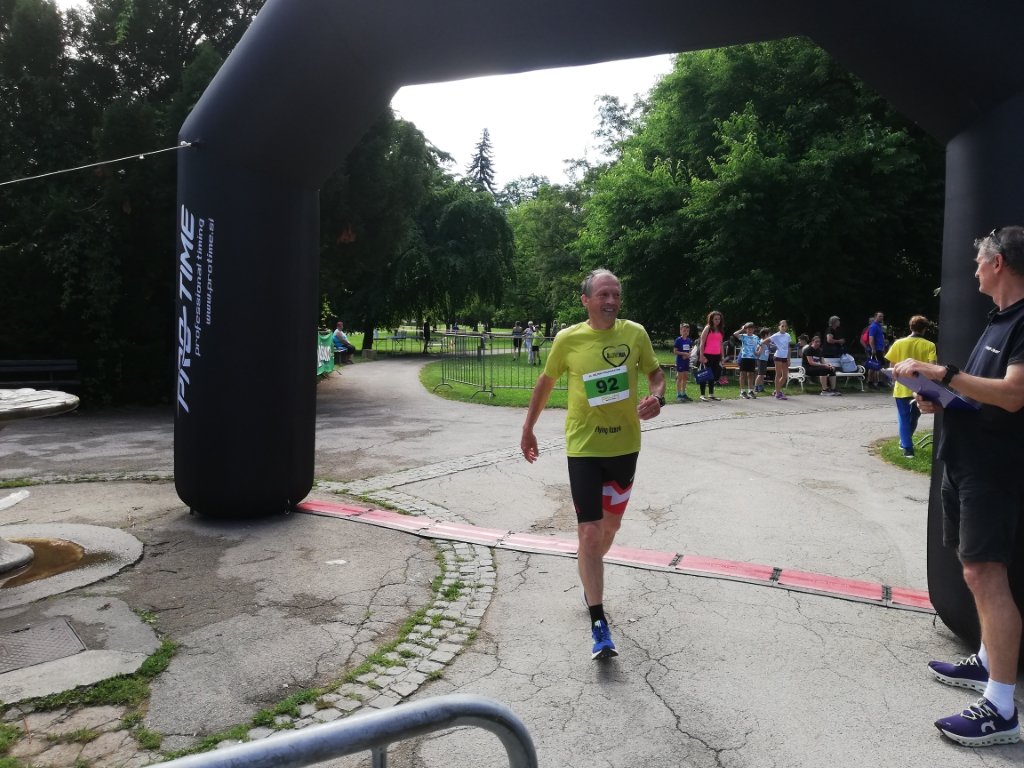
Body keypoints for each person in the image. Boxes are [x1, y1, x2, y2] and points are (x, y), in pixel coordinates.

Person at [894, 226, 1024, 748]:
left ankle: (1001, 708)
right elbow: (983, 393)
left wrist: (942, 374)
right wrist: (939, 396)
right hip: (966, 460)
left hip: (993, 469)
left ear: (999, 263)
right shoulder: (1000, 319)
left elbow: (1013, 395)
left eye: (979, 262)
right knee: (974, 571)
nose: (974, 270)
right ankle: (988, 661)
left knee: (986, 574)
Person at [521, 268, 665, 661]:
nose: (611, 301)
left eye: (616, 294)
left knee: (610, 528)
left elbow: (655, 374)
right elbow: (545, 383)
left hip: (625, 446)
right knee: (589, 533)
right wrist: (528, 428)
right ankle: (598, 622)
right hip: (583, 447)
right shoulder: (568, 339)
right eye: (603, 294)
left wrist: (658, 397)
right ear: (585, 300)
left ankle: (590, 572)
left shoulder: (635, 334)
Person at [884, 315, 937, 457]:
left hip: (902, 386)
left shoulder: (898, 343)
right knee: (914, 417)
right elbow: (932, 367)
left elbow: (892, 366)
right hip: (920, 388)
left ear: (910, 327)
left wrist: (893, 380)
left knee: (903, 417)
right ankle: (905, 442)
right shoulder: (930, 345)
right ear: (925, 329)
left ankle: (907, 448)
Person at [698, 310, 726, 402]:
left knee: (713, 375)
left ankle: (711, 394)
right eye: (715, 319)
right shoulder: (708, 328)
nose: (717, 321)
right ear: (711, 319)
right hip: (707, 354)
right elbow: (702, 342)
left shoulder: (720, 330)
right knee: (704, 374)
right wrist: (701, 355)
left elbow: (721, 344)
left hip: (717, 355)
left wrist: (722, 357)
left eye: (719, 319)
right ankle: (702, 395)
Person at [733, 322, 760, 399]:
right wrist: (742, 329)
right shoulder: (743, 336)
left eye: (751, 329)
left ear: (753, 329)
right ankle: (742, 391)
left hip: (752, 358)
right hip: (744, 357)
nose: (750, 330)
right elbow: (735, 334)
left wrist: (758, 352)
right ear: (746, 329)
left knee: (751, 374)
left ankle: (750, 390)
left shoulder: (756, 337)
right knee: (743, 374)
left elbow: (760, 344)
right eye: (748, 329)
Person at [769, 320, 792, 400]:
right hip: (778, 356)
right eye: (782, 326)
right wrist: (759, 344)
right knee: (778, 374)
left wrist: (789, 359)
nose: (784, 327)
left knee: (785, 376)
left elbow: (788, 347)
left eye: (785, 326)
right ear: (779, 327)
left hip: (785, 357)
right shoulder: (776, 335)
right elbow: (766, 341)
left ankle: (776, 390)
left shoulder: (788, 335)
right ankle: (778, 394)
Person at [673, 322, 694, 401]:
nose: (685, 332)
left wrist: (688, 354)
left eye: (687, 331)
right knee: (680, 377)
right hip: (680, 361)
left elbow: (690, 350)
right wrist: (684, 354)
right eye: (684, 330)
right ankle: (678, 394)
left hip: (686, 361)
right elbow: (675, 351)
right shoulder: (678, 340)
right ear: (681, 331)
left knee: (685, 377)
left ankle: (683, 393)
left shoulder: (689, 340)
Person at [867, 311, 887, 388]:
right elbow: (871, 338)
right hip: (875, 349)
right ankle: (871, 382)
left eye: (882, 316)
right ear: (875, 317)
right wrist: (873, 349)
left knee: (878, 365)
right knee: (874, 365)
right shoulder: (873, 326)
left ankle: (879, 382)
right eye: (880, 316)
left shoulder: (879, 326)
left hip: (879, 349)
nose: (882, 318)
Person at [754, 327, 772, 393]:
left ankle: (761, 387)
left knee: (762, 374)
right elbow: (758, 349)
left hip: (764, 360)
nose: (770, 336)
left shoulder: (765, 342)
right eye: (769, 334)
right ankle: (756, 387)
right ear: (765, 335)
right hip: (761, 360)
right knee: (760, 374)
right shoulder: (762, 342)